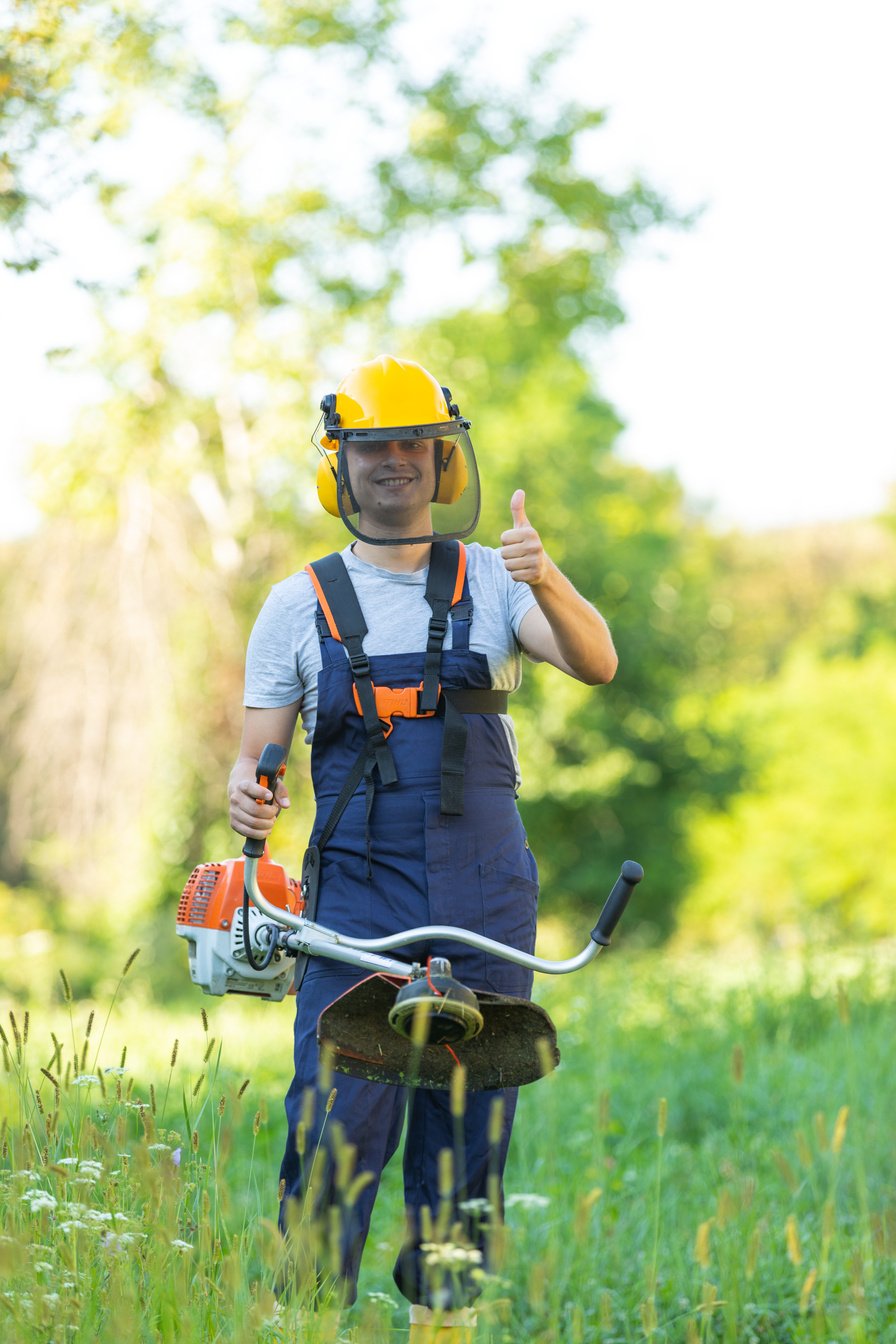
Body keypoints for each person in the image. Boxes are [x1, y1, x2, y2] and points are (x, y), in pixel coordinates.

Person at [228, 354, 617, 1339]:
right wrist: (249, 793)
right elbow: (259, 761)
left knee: (466, 1141)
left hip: (484, 894)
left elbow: (596, 661)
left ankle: (441, 1329)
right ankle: (308, 1322)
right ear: (338, 466)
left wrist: (547, 575)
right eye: (374, 447)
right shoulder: (294, 605)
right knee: (333, 1130)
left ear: (444, 461)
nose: (397, 461)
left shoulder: (492, 579)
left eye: (417, 444)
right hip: (350, 903)